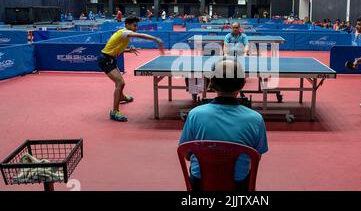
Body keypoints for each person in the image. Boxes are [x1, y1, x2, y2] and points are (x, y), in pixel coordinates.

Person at [179, 58, 268, 191]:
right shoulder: (255, 119)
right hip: (239, 187)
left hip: (200, 185)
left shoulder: (195, 115)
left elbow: (186, 154)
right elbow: (256, 157)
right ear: (242, 84)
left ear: (211, 83)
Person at [98, 15, 165, 122]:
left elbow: (115, 49)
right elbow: (140, 35)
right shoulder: (124, 32)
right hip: (105, 60)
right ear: (127, 25)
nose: (136, 28)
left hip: (110, 59)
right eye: (134, 25)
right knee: (120, 82)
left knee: (121, 83)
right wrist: (155, 39)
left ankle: (121, 96)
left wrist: (129, 50)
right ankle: (114, 112)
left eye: (137, 25)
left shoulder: (125, 36)